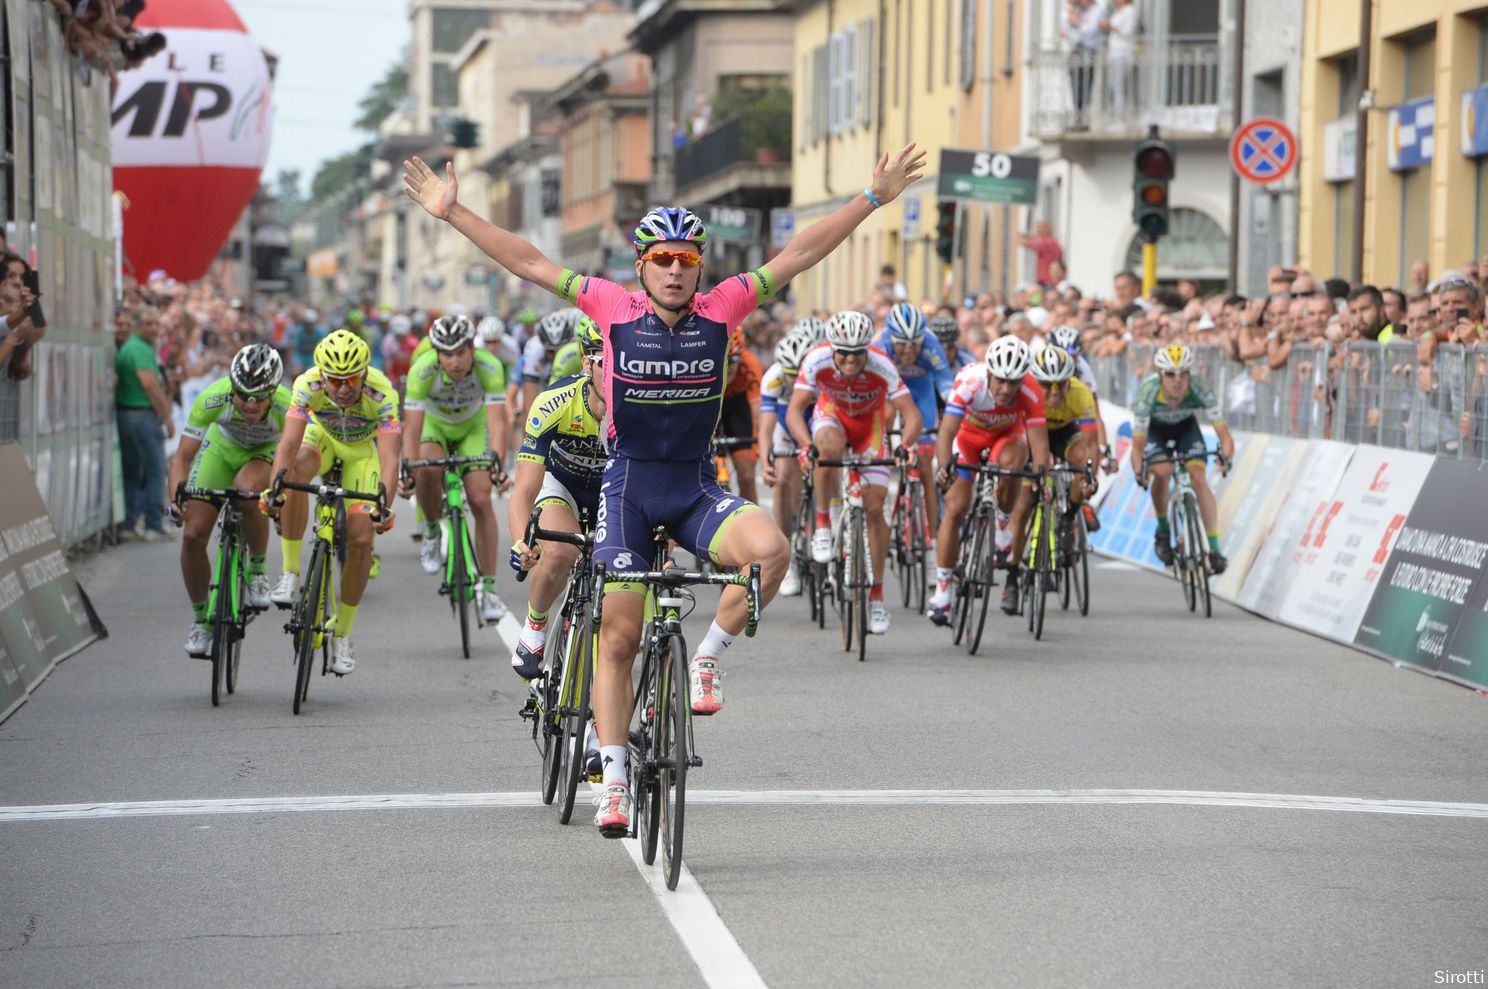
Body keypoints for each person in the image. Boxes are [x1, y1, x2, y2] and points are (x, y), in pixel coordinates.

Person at [401, 140, 927, 837]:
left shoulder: (725, 306)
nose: (676, 271)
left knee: (771, 553)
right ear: (643, 265)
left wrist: (870, 200)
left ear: (699, 267)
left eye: (687, 260)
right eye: (663, 260)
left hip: (693, 487)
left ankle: (706, 659)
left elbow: (799, 252)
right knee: (617, 639)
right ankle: (613, 776)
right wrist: (454, 212)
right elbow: (527, 260)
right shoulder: (610, 306)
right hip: (627, 490)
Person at [262, 330, 400, 675]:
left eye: (351, 379)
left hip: (361, 454)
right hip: (320, 440)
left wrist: (384, 504)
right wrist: (274, 488)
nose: (342, 388)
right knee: (294, 473)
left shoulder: (382, 392)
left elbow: (390, 458)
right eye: (334, 380)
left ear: (365, 373)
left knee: (362, 539)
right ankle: (291, 572)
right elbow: (288, 443)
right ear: (322, 375)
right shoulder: (306, 384)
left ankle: (342, 634)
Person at [786, 310, 921, 635]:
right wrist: (805, 445)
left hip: (869, 429)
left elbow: (911, 414)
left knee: (876, 510)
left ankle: (876, 596)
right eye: (843, 353)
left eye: (856, 353)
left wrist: (905, 445)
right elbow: (795, 410)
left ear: (866, 350)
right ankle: (822, 524)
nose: (849, 360)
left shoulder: (880, 363)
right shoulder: (817, 359)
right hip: (832, 417)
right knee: (826, 448)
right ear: (832, 349)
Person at [167, 344, 289, 656]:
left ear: (273, 393)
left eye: (259, 396)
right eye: (242, 394)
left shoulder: (288, 408)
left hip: (266, 454)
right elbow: (181, 458)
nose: (249, 403)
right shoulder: (213, 397)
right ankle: (200, 619)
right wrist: (176, 499)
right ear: (231, 387)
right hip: (222, 449)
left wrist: (280, 498)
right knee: (193, 535)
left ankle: (257, 571)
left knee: (247, 491)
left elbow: (292, 461)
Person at [508, 319, 607, 682]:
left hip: (612, 493)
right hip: (561, 484)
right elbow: (524, 491)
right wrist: (522, 541)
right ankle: (534, 627)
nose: (615, 373)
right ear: (587, 363)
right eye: (604, 362)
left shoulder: (638, 409)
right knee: (562, 552)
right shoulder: (554, 403)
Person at [928, 336, 1050, 623]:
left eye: (1014, 383)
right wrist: (945, 467)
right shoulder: (970, 381)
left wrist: (1041, 478)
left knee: (1014, 463)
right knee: (956, 507)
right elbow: (946, 433)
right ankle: (943, 589)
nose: (1007, 389)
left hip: (1005, 439)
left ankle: (1003, 525)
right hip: (967, 439)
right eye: (1001, 381)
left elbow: (1040, 445)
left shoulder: (1030, 391)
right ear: (989, 374)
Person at [400, 314, 512, 623]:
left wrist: (498, 462)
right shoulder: (422, 370)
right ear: (437, 354)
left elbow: (496, 422)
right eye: (447, 354)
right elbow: (411, 428)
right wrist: (407, 468)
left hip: (472, 429)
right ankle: (433, 532)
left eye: (460, 352)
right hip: (435, 426)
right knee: (426, 468)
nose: (455, 361)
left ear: (471, 350)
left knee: (480, 499)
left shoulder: (489, 367)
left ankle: (489, 591)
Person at [1130, 344, 1234, 574]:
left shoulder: (1199, 387)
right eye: (1170, 374)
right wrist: (1139, 471)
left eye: (1183, 374)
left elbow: (1225, 435)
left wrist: (1226, 457)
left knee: (1198, 478)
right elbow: (1137, 445)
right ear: (1160, 375)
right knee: (1163, 471)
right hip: (1155, 432)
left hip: (1186, 429)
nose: (1177, 380)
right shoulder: (1147, 393)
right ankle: (1163, 528)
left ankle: (1214, 549)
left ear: (1190, 374)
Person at [876, 301, 953, 540]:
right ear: (892, 339)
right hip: (891, 392)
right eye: (902, 345)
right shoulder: (881, 345)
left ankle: (932, 539)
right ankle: (884, 458)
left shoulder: (931, 344)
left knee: (925, 465)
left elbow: (947, 388)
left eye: (914, 345)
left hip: (921, 392)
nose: (909, 351)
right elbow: (872, 390)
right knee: (886, 414)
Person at [758, 330, 815, 596]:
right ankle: (787, 557)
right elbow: (766, 428)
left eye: (798, 372)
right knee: (782, 481)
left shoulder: (820, 374)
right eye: (789, 373)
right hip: (784, 427)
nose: (793, 379)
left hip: (815, 422)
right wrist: (765, 458)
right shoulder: (773, 378)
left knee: (828, 468)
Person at [116, 307, 176, 542]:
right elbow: (149, 384)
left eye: (156, 323)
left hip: (126, 415)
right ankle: (153, 523)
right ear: (138, 326)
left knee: (132, 473)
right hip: (142, 416)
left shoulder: (131, 346)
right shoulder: (140, 349)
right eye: (148, 323)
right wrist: (167, 417)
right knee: (155, 470)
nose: (153, 328)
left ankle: (129, 524)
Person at [718, 332, 763, 503]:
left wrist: (758, 446)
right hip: (712, 404)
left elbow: (756, 408)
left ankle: (753, 526)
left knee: (747, 475)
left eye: (733, 361)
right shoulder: (702, 358)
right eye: (723, 361)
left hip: (738, 406)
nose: (728, 367)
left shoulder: (750, 364)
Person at [1018, 221, 1065, 287]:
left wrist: (1021, 236)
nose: (1038, 231)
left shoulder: (1047, 241)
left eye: (1040, 228)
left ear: (1048, 229)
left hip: (1046, 281)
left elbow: (1025, 243)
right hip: (1051, 281)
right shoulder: (1054, 242)